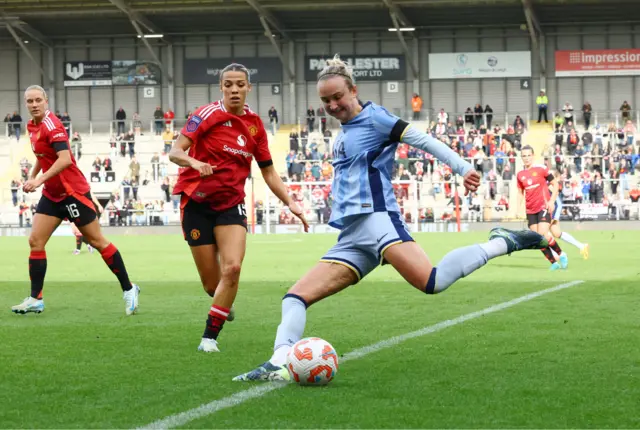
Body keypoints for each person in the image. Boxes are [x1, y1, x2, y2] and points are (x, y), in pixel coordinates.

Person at [233, 55, 547, 381]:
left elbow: (422, 140)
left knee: (432, 281)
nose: (332, 105)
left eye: (338, 96)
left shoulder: (376, 119)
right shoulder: (344, 131)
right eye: (325, 100)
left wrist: (463, 168)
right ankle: (278, 362)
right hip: (352, 235)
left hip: (379, 220)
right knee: (295, 296)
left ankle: (501, 242)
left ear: (353, 90)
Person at [169, 63, 309, 354]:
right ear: (221, 87)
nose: (235, 89)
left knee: (232, 267)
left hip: (231, 206)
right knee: (212, 285)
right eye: (229, 84)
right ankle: (221, 301)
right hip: (196, 203)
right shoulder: (205, 115)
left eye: (240, 84)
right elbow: (175, 151)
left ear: (249, 88)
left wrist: (291, 202)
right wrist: (195, 163)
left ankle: (209, 338)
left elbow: (268, 172)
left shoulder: (256, 125)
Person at [10, 85, 140, 315]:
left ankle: (129, 289)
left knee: (97, 242)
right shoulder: (32, 126)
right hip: (52, 194)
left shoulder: (53, 125)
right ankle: (35, 298)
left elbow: (65, 159)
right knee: (35, 241)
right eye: (29, 101)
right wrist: (32, 175)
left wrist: (38, 181)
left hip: (72, 193)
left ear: (46, 101)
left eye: (38, 100)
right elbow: (43, 154)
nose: (34, 104)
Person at [516, 146, 567, 271]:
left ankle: (561, 254)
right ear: (521, 157)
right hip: (530, 210)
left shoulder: (542, 169)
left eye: (528, 155)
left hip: (543, 206)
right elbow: (520, 193)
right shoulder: (520, 175)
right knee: (537, 238)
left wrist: (552, 201)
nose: (526, 158)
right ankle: (554, 263)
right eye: (524, 156)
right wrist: (518, 209)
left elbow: (555, 184)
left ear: (533, 156)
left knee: (542, 233)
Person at [549, 171, 589, 259]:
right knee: (556, 233)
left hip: (552, 213)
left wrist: (556, 216)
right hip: (551, 212)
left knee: (543, 232)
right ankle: (581, 246)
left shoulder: (551, 186)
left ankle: (556, 253)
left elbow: (558, 203)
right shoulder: (551, 185)